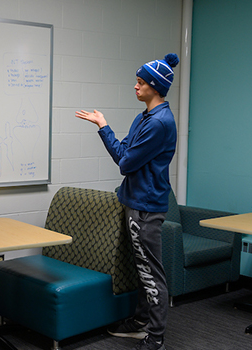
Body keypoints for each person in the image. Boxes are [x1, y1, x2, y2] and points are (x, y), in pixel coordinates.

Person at [75, 53, 180, 350]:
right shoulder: (144, 117)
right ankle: (139, 321)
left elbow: (124, 162)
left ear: (154, 86)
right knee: (141, 268)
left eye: (139, 82)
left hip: (146, 207)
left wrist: (103, 126)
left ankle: (155, 335)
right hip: (135, 201)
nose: (135, 87)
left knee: (150, 273)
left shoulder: (159, 123)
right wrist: (105, 129)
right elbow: (126, 151)